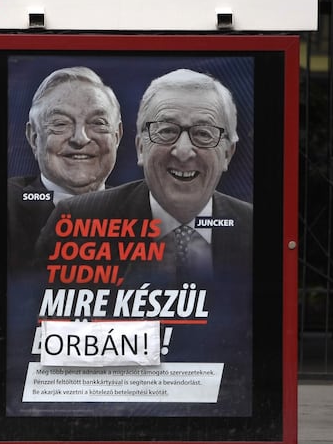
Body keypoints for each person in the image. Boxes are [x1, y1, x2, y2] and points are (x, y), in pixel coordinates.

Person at [27, 68, 253, 417]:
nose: (183, 151)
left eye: (203, 134)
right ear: (139, 147)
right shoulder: (77, 221)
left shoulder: (254, 230)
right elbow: (35, 333)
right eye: (166, 131)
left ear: (228, 153)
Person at [7, 66, 122, 270]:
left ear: (117, 136)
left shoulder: (148, 208)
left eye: (98, 123)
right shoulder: (6, 205)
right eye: (61, 124)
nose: (80, 138)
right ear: (34, 138)